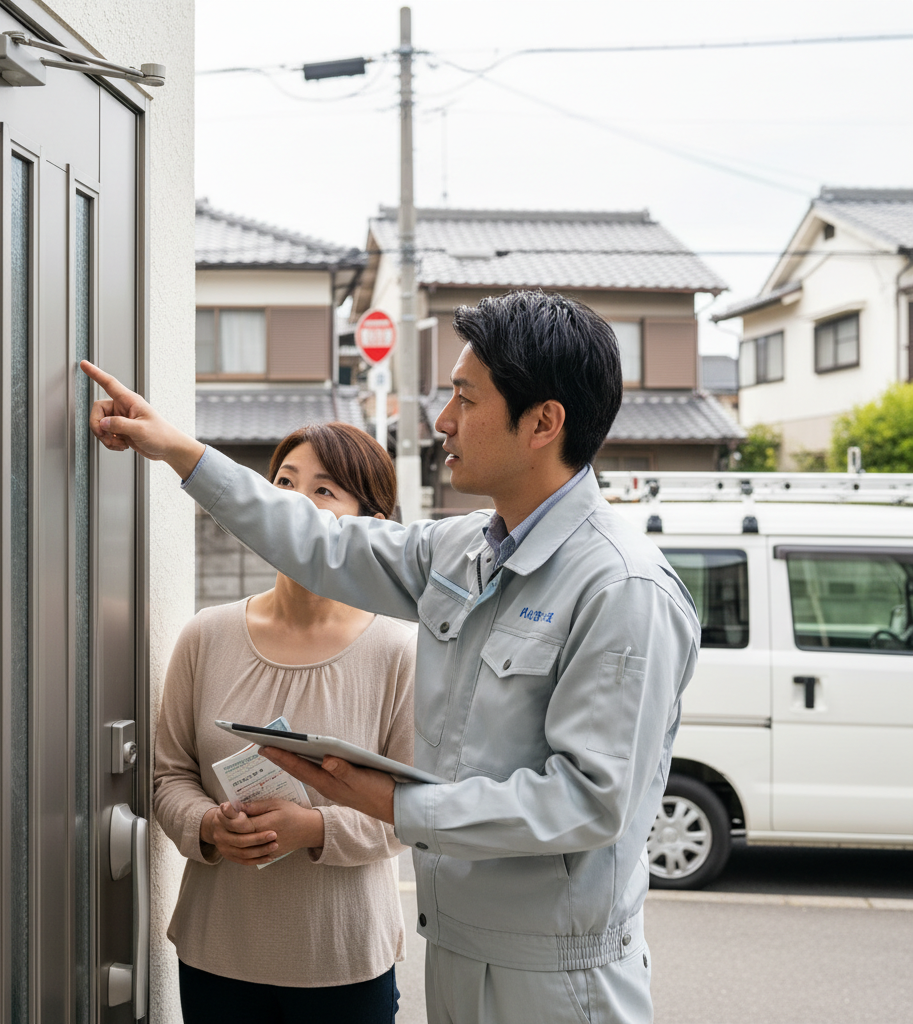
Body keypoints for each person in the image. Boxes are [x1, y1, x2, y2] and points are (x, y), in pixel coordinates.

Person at [82, 289, 699, 1024]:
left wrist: (389, 803)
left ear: (543, 422)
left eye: (466, 398)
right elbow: (321, 542)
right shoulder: (465, 549)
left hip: (559, 976)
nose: (444, 420)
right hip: (457, 948)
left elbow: (589, 802)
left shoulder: (622, 588)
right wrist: (177, 450)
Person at [151, 422, 416, 1024]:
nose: (293, 503)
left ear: (370, 524)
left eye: (323, 491)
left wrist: (313, 829)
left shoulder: (400, 652)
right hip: (217, 952)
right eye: (284, 484)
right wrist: (209, 825)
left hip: (343, 957)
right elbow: (169, 777)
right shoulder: (205, 635)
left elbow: (414, 810)